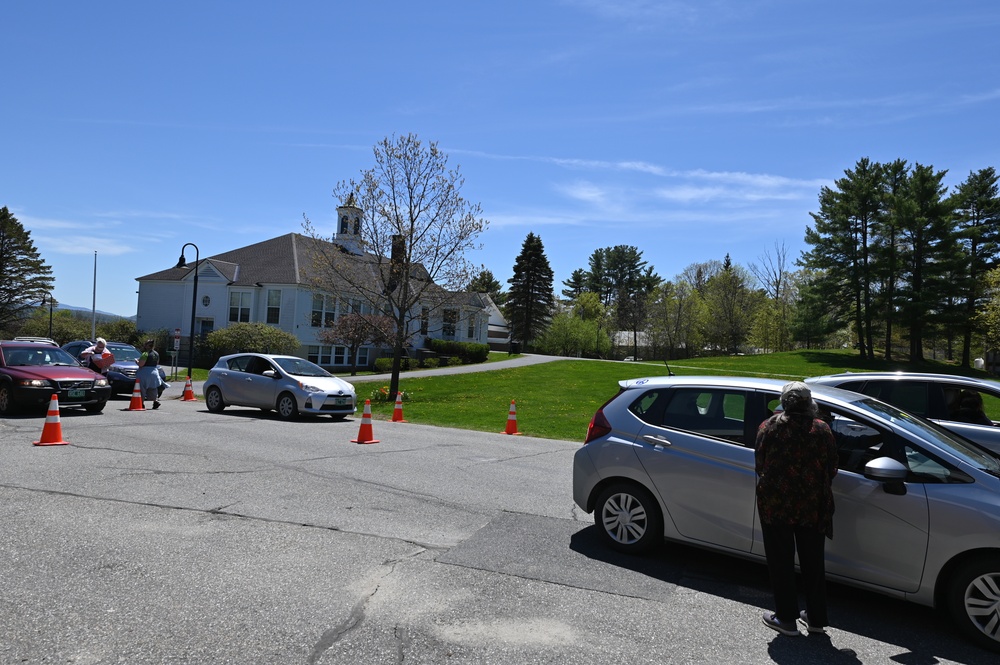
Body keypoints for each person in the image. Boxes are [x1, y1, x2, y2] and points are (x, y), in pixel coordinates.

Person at [756, 381, 838, 637]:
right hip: (813, 506)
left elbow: (760, 464)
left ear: (784, 402)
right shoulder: (822, 429)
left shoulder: (769, 427)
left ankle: (786, 618)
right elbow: (832, 468)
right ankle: (816, 619)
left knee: (780, 561)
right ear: (809, 402)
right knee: (813, 562)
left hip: (776, 505)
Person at [137, 339, 162, 409]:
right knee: (153, 388)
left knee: (142, 388)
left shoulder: (145, 353)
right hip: (154, 372)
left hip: (145, 372)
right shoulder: (156, 354)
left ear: (147, 346)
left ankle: (141, 403)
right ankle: (155, 401)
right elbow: (157, 363)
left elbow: (141, 364)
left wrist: (137, 361)